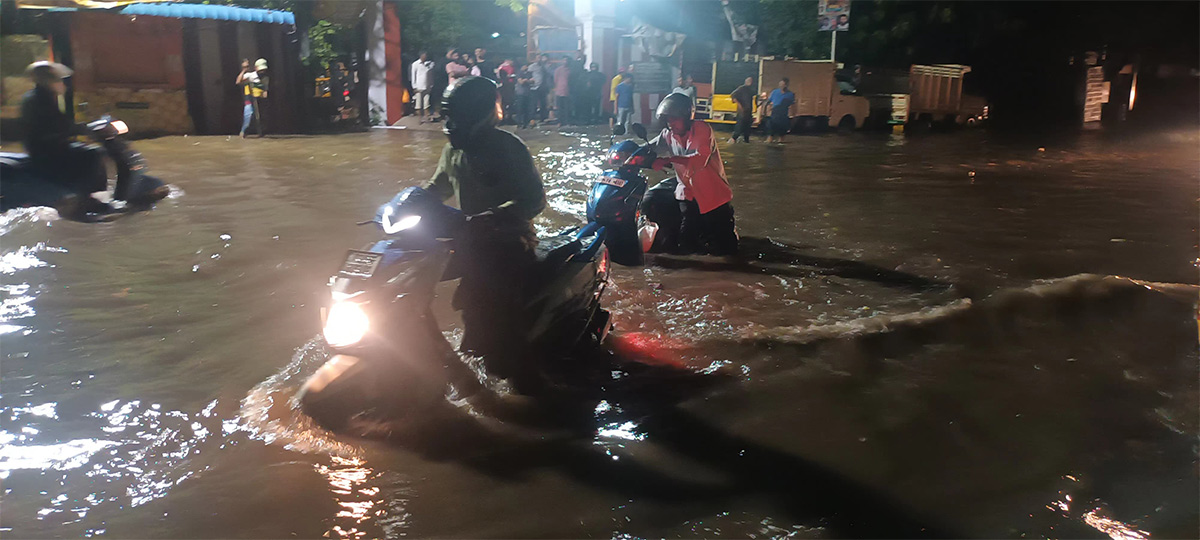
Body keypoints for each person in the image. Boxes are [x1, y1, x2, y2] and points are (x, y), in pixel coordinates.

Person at [423, 76, 548, 392]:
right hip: (468, 239)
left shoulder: (508, 148)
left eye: (457, 116)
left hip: (509, 241)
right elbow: (436, 188)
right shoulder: (452, 152)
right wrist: (408, 202)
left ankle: (524, 383)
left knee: (495, 309)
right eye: (447, 115)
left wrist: (496, 216)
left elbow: (534, 200)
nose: (451, 123)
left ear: (479, 114)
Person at [648, 92, 737, 256]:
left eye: (674, 119)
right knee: (686, 244)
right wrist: (631, 152)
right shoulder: (668, 135)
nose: (671, 123)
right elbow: (650, 148)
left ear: (686, 117)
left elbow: (699, 159)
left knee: (726, 249)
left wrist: (668, 159)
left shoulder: (702, 129)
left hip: (713, 197)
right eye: (668, 120)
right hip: (688, 195)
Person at [20, 61, 107, 200]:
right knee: (93, 153)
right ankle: (88, 197)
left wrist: (79, 129)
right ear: (48, 81)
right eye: (58, 80)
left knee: (86, 150)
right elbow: (57, 124)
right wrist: (82, 129)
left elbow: (59, 123)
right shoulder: (40, 100)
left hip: (47, 145)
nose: (62, 84)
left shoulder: (40, 96)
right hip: (46, 149)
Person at [237, 58, 269, 138]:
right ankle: (243, 132)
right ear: (256, 68)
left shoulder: (265, 78)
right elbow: (238, 81)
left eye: (263, 70)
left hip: (259, 100)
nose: (262, 72)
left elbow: (265, 89)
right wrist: (244, 70)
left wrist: (264, 94)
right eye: (260, 70)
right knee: (248, 114)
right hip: (249, 99)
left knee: (259, 117)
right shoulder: (250, 75)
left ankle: (260, 133)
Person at [765, 77, 795, 143]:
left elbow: (792, 105)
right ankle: (769, 141)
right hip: (775, 113)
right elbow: (768, 102)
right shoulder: (775, 92)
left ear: (786, 85)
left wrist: (792, 115)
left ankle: (780, 142)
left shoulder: (790, 94)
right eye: (780, 84)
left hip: (783, 114)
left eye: (782, 84)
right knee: (771, 132)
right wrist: (766, 112)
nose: (781, 85)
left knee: (782, 133)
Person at [729, 76, 755, 143]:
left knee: (747, 131)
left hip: (748, 113)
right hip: (742, 112)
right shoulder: (741, 88)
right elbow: (733, 95)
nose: (750, 82)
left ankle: (745, 141)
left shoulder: (751, 90)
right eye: (749, 81)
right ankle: (732, 140)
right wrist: (739, 105)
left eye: (751, 81)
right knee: (739, 128)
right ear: (745, 81)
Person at [410, 51, 435, 122]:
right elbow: (413, 76)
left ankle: (426, 118)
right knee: (418, 104)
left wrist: (431, 85)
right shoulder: (415, 64)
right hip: (419, 86)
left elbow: (431, 75)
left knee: (426, 104)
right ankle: (419, 119)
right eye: (424, 55)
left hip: (427, 86)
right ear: (421, 55)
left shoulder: (429, 64)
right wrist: (414, 87)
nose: (425, 57)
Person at [527, 54, 549, 122]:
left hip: (542, 87)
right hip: (534, 87)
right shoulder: (532, 66)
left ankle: (543, 118)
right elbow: (528, 75)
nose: (539, 59)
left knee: (543, 103)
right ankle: (532, 118)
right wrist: (530, 80)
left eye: (540, 58)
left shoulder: (543, 66)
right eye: (538, 58)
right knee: (533, 103)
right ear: (535, 59)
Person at [553, 58, 571, 124]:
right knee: (559, 108)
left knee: (566, 108)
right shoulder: (558, 70)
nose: (565, 61)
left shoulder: (569, 70)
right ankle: (560, 122)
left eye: (566, 60)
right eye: (563, 60)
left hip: (566, 91)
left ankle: (566, 121)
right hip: (559, 91)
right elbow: (555, 80)